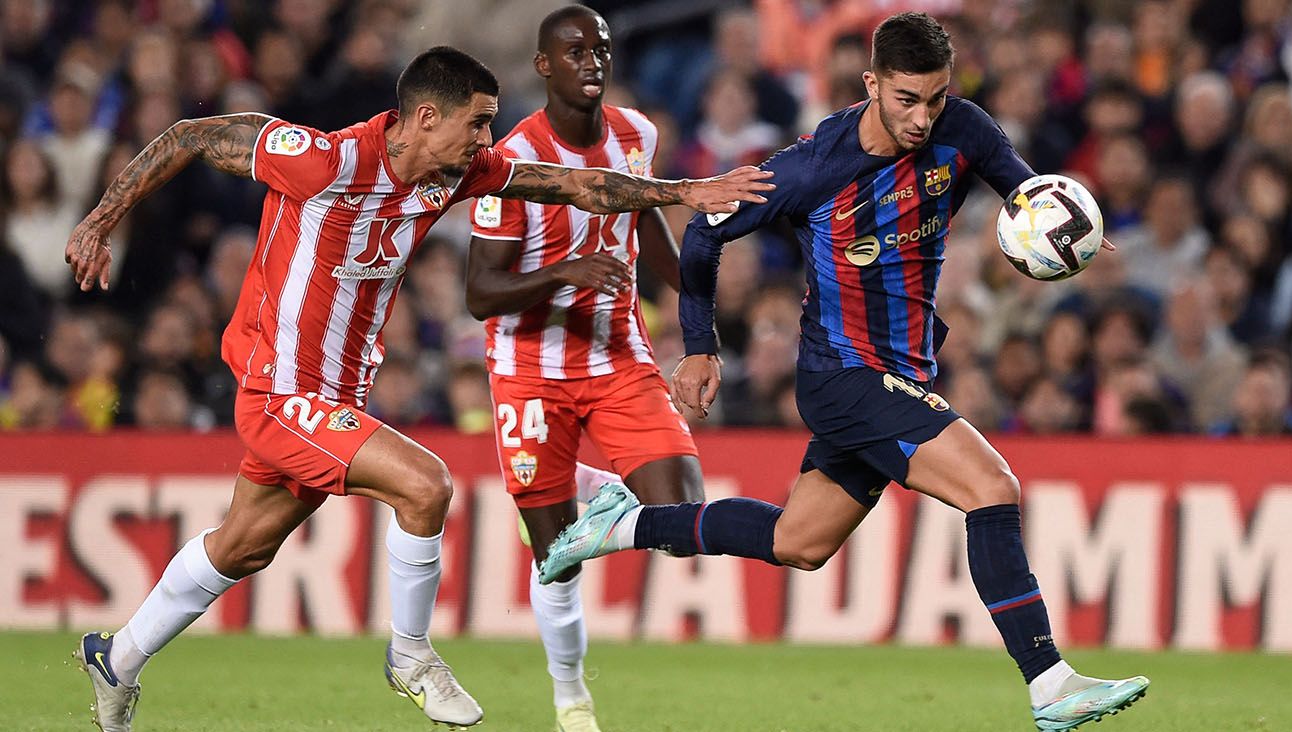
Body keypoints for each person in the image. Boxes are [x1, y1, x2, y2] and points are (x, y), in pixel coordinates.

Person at [64, 46, 772, 732]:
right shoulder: (324, 160)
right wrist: (99, 221)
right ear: (427, 117)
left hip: (339, 398)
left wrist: (682, 193)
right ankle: (410, 655)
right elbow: (192, 134)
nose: (487, 140)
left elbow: (573, 184)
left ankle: (117, 658)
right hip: (280, 393)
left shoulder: (455, 173)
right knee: (426, 486)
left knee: (243, 546)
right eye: (478, 122)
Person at [538, 13, 1149, 732]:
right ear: (872, 84)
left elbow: (1026, 196)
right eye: (906, 99)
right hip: (843, 377)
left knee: (799, 542)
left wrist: (1068, 233)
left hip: (904, 373)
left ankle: (623, 523)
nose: (922, 118)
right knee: (992, 486)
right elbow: (704, 231)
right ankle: (1050, 683)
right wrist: (700, 344)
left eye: (935, 98)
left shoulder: (965, 128)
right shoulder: (812, 167)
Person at [464, 8, 704, 731]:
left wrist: (698, 305)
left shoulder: (637, 135)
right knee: (556, 560)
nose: (592, 61)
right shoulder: (512, 163)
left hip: (617, 356)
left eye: (600, 48)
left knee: (681, 519)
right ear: (544, 65)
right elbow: (480, 292)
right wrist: (564, 271)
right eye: (573, 51)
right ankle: (570, 697)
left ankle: (591, 497)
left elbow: (645, 220)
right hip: (530, 369)